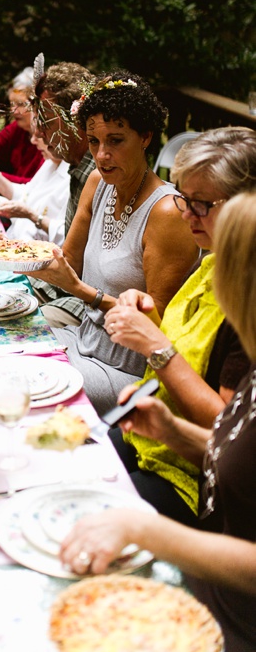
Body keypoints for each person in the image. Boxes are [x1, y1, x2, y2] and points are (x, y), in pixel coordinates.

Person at [60, 191, 256, 652]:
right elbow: (240, 461)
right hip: (213, 591)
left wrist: (148, 530)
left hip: (234, 635)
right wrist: (177, 433)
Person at [100, 128, 255, 524]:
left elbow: (227, 431)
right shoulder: (217, 261)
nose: (186, 214)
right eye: (184, 198)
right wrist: (147, 316)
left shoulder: (247, 293)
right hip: (160, 434)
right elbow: (188, 351)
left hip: (201, 479)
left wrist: (153, 343)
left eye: (201, 204)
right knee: (72, 463)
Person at [29, 71, 199, 414]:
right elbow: (68, 261)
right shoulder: (97, 182)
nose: (102, 154)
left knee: (24, 389)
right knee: (5, 353)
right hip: (83, 341)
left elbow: (158, 323)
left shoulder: (167, 212)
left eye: (116, 140)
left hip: (130, 371)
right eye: (94, 141)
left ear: (146, 137)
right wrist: (19, 254)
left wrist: (83, 292)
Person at [28, 61, 98, 326]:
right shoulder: (77, 166)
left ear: (76, 120)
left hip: (90, 305)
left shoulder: (101, 174)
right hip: (68, 290)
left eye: (45, 122)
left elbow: (76, 272)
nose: (37, 133)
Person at [0, 134, 70, 244]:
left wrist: (32, 216)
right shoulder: (51, 162)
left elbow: (68, 237)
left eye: (40, 134)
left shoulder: (73, 176)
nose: (33, 140)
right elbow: (27, 195)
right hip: (13, 240)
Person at [0, 67, 44, 184]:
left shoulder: (51, 140)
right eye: (12, 104)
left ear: (38, 105)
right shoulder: (17, 129)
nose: (14, 111)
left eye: (20, 104)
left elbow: (38, 187)